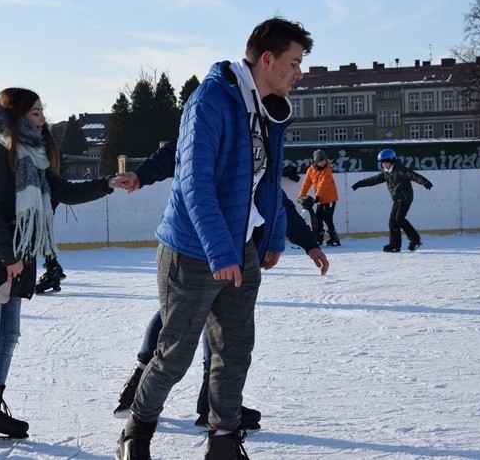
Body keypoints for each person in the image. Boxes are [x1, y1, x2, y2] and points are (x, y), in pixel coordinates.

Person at [114, 16, 329, 460]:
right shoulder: (211, 99)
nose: (300, 73)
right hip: (194, 251)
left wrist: (276, 239)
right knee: (174, 356)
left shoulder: (268, 110)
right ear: (267, 59)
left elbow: (265, 184)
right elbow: (196, 182)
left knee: (234, 354)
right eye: (294, 62)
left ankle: (224, 440)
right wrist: (219, 250)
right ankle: (136, 431)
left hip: (241, 250)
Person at [0, 88, 116, 454]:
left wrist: (108, 185)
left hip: (17, 256)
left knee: (8, 337)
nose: (43, 119)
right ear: (17, 117)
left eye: (42, 112)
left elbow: (65, 192)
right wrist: (9, 258)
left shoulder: (35, 159)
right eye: (36, 113)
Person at [111, 140, 323, 432]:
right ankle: (138, 389)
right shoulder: (216, 111)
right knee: (176, 323)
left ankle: (209, 402)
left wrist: (307, 242)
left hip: (236, 251)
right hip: (195, 246)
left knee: (222, 330)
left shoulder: (260, 127)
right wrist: (142, 175)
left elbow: (276, 199)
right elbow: (176, 153)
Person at [351, 148, 433, 252]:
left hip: (405, 198)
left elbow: (413, 175)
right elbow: (373, 180)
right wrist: (359, 184)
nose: (383, 165)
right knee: (392, 222)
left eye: (385, 162)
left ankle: (415, 240)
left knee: (399, 219)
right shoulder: (386, 173)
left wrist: (425, 182)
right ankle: (394, 244)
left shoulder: (400, 170)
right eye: (382, 163)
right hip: (397, 199)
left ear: (391, 161)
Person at [298, 149, 341, 246]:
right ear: (315, 161)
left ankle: (334, 238)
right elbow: (306, 184)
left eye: (324, 160)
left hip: (330, 198)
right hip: (321, 199)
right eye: (320, 161)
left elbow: (323, 184)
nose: (322, 163)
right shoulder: (311, 170)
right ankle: (319, 237)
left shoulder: (327, 170)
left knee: (327, 218)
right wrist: (301, 196)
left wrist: (317, 196)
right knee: (318, 218)